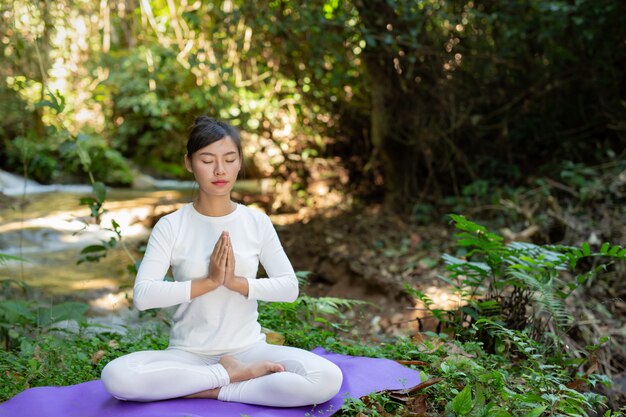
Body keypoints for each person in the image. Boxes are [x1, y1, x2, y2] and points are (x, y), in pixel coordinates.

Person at [101, 116, 343, 406]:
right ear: (189, 163)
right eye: (207, 160)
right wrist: (209, 282)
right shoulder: (171, 225)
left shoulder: (256, 221)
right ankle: (227, 376)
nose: (220, 170)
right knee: (117, 376)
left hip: (249, 350)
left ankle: (215, 386)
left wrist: (235, 283)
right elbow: (143, 296)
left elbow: (289, 288)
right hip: (187, 355)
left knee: (327, 378)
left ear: (240, 162)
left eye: (229, 159)